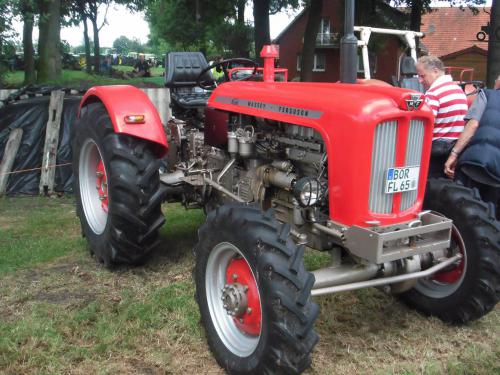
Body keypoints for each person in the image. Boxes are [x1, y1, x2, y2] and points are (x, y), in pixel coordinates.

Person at [443, 74, 500, 210]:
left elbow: (472, 125)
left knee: (461, 207)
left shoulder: (487, 95)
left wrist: (454, 154)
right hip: (497, 171)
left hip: (477, 162)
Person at [416, 55, 469, 178]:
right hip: (454, 148)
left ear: (435, 71)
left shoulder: (433, 93)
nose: (420, 80)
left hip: (436, 151)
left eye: (422, 76)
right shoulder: (458, 90)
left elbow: (425, 126)